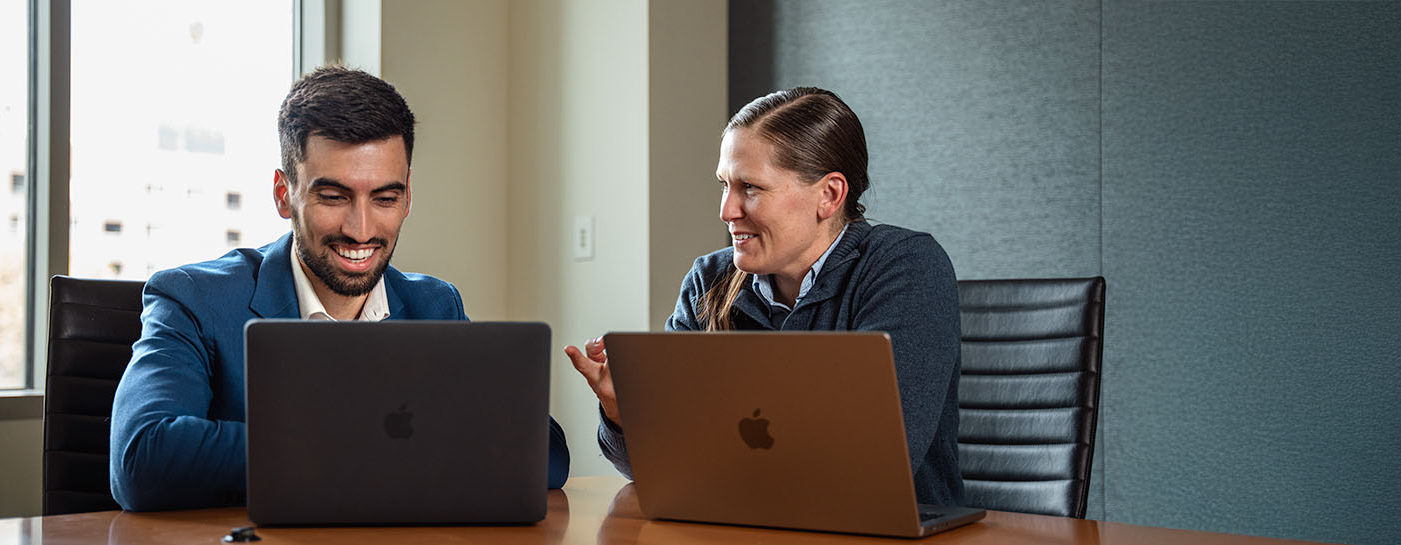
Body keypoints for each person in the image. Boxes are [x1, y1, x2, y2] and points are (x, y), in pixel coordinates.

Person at [109, 65, 569, 511]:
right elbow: (142, 459)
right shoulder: (193, 299)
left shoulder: (434, 304)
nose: (361, 228)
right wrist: (379, 441)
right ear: (283, 193)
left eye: (385, 198)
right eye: (333, 196)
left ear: (408, 195)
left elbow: (543, 458)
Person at [565, 87, 962, 505]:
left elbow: (873, 462)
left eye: (750, 188)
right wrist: (626, 416)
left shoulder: (907, 267)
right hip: (741, 538)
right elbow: (657, 469)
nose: (727, 210)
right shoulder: (709, 280)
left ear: (828, 195)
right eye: (724, 185)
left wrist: (702, 443)